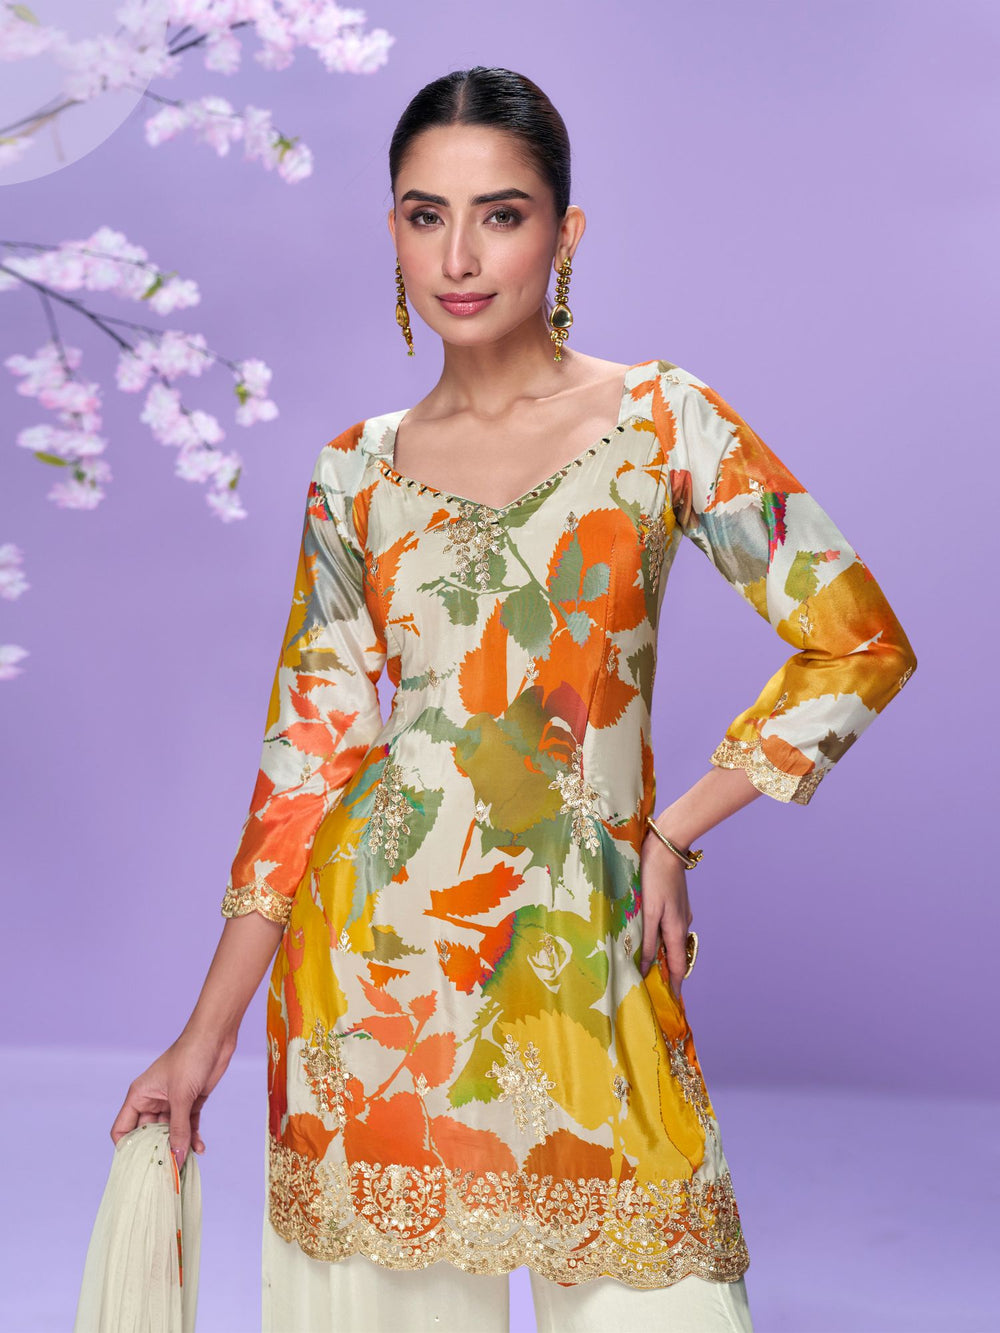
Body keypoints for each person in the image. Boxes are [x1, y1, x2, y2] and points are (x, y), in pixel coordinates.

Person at [110, 66, 917, 1333]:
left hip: (586, 967)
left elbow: (856, 641)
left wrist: (672, 831)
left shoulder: (662, 422)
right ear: (391, 231)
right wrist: (202, 1037)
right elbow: (304, 765)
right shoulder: (354, 474)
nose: (459, 256)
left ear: (564, 230)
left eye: (501, 213)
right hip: (369, 996)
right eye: (424, 215)